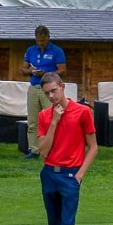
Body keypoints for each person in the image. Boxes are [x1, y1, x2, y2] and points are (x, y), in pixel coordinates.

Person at [34, 72, 97, 225]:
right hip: (49, 174)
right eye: (47, 93)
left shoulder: (82, 112)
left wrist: (79, 175)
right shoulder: (45, 116)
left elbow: (93, 147)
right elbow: (43, 150)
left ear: (62, 87)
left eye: (54, 91)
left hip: (70, 176)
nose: (52, 96)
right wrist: (54, 122)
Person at [21, 25, 66, 158]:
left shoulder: (57, 51)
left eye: (43, 40)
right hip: (34, 87)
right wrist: (31, 71)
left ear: (48, 38)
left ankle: (54, 149)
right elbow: (24, 69)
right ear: (35, 39)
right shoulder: (30, 50)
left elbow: (62, 69)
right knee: (33, 120)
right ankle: (34, 150)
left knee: (53, 118)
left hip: (50, 89)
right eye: (39, 40)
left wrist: (46, 74)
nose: (41, 43)